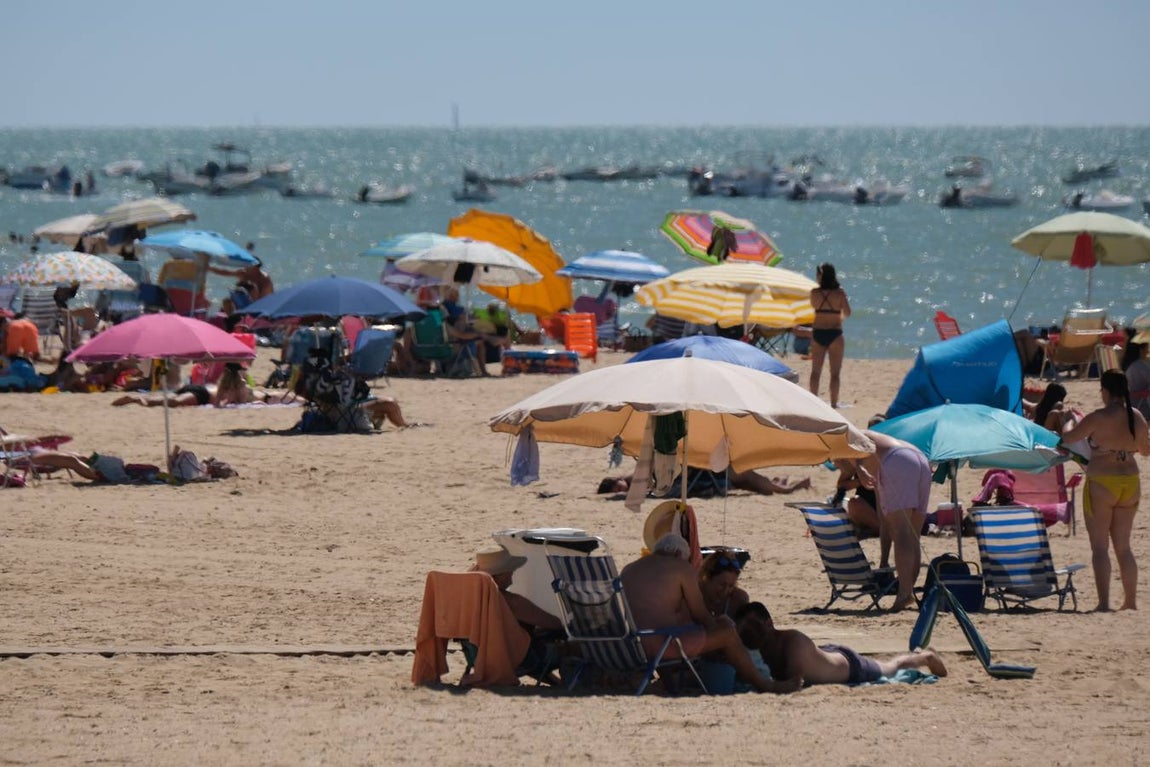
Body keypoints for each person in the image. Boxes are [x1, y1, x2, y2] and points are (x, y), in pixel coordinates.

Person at [619, 533, 801, 694]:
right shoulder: (680, 568)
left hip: (632, 646)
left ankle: (671, 684)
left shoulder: (629, 569)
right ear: (677, 554)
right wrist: (723, 633)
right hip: (662, 645)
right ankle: (765, 685)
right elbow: (702, 616)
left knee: (672, 628)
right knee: (727, 632)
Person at [1060, 370, 1150, 611]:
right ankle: (1130, 602)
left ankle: (1104, 603)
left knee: (1100, 546)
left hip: (1102, 482)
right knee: (1124, 547)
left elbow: (1068, 438)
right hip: (1130, 481)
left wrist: (1067, 419)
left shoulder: (1098, 417)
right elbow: (1146, 451)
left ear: (1105, 391)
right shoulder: (1137, 416)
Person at [734, 601, 947, 685]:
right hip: (825, 656)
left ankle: (924, 656)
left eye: (753, 625)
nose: (749, 632)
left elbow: (793, 683)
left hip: (848, 666)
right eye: (744, 629)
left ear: (769, 623)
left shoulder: (793, 644)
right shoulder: (757, 644)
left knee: (891, 668)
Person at [837, 429, 932, 611]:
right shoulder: (878, 457)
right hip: (919, 458)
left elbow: (859, 445)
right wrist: (884, 560)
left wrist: (859, 468)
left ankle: (905, 593)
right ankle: (907, 590)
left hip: (897, 461)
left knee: (903, 532)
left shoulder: (846, 438)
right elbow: (883, 519)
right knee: (913, 535)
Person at [470, 544, 563, 683]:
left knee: (528, 639)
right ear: (501, 575)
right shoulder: (511, 602)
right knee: (572, 645)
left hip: (476, 656)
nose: (513, 575)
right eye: (511, 571)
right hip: (513, 659)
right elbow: (555, 623)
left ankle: (555, 682)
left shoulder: (470, 599)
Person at [808, 262, 851, 408]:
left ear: (822, 276)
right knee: (835, 373)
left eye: (818, 275)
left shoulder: (814, 293)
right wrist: (838, 316)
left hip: (818, 332)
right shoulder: (840, 293)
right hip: (835, 333)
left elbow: (814, 306)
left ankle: (813, 402)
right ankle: (833, 403)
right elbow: (848, 312)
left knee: (815, 371)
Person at [698, 549, 750, 619]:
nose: (725, 591)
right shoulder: (692, 596)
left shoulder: (738, 600)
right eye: (722, 584)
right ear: (707, 577)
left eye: (731, 586)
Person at [1122, 335, 1150, 419]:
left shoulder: (1127, 364)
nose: (1148, 351)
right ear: (1140, 350)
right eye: (1147, 348)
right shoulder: (1140, 365)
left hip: (1131, 403)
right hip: (1142, 406)